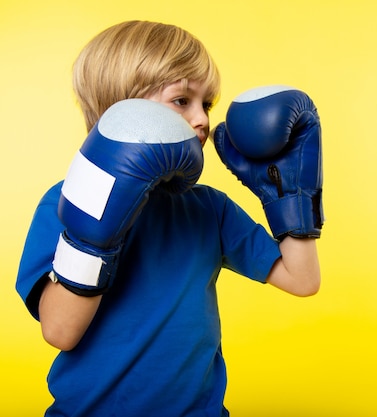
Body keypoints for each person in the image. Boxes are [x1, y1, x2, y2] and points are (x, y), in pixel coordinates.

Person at [15, 20, 323, 417]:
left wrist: (289, 196)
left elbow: (302, 279)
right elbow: (59, 332)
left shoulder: (208, 207)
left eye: (206, 105)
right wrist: (94, 238)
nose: (202, 121)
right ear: (123, 108)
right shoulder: (66, 202)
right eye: (182, 100)